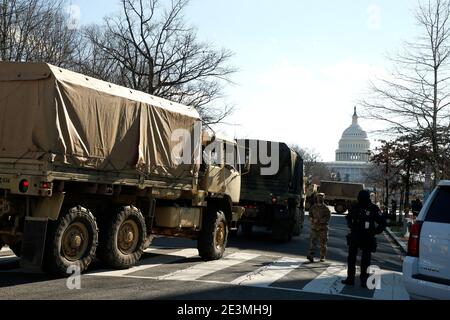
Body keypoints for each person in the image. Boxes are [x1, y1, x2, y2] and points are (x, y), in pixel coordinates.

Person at [341, 190, 386, 288]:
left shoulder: (373, 208)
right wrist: (351, 225)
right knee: (351, 258)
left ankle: (364, 280)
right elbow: (348, 217)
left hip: (367, 236)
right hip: (355, 235)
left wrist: (375, 231)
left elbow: (382, 222)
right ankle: (350, 278)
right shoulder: (355, 206)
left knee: (365, 259)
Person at [307, 193, 331, 263]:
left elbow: (328, 218)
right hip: (314, 227)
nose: (319, 199)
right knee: (312, 242)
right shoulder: (313, 207)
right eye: (318, 197)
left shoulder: (326, 208)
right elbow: (309, 215)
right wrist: (311, 219)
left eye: (321, 197)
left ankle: (322, 256)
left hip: (323, 229)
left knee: (323, 243)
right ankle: (311, 255)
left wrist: (319, 220)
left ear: (323, 198)